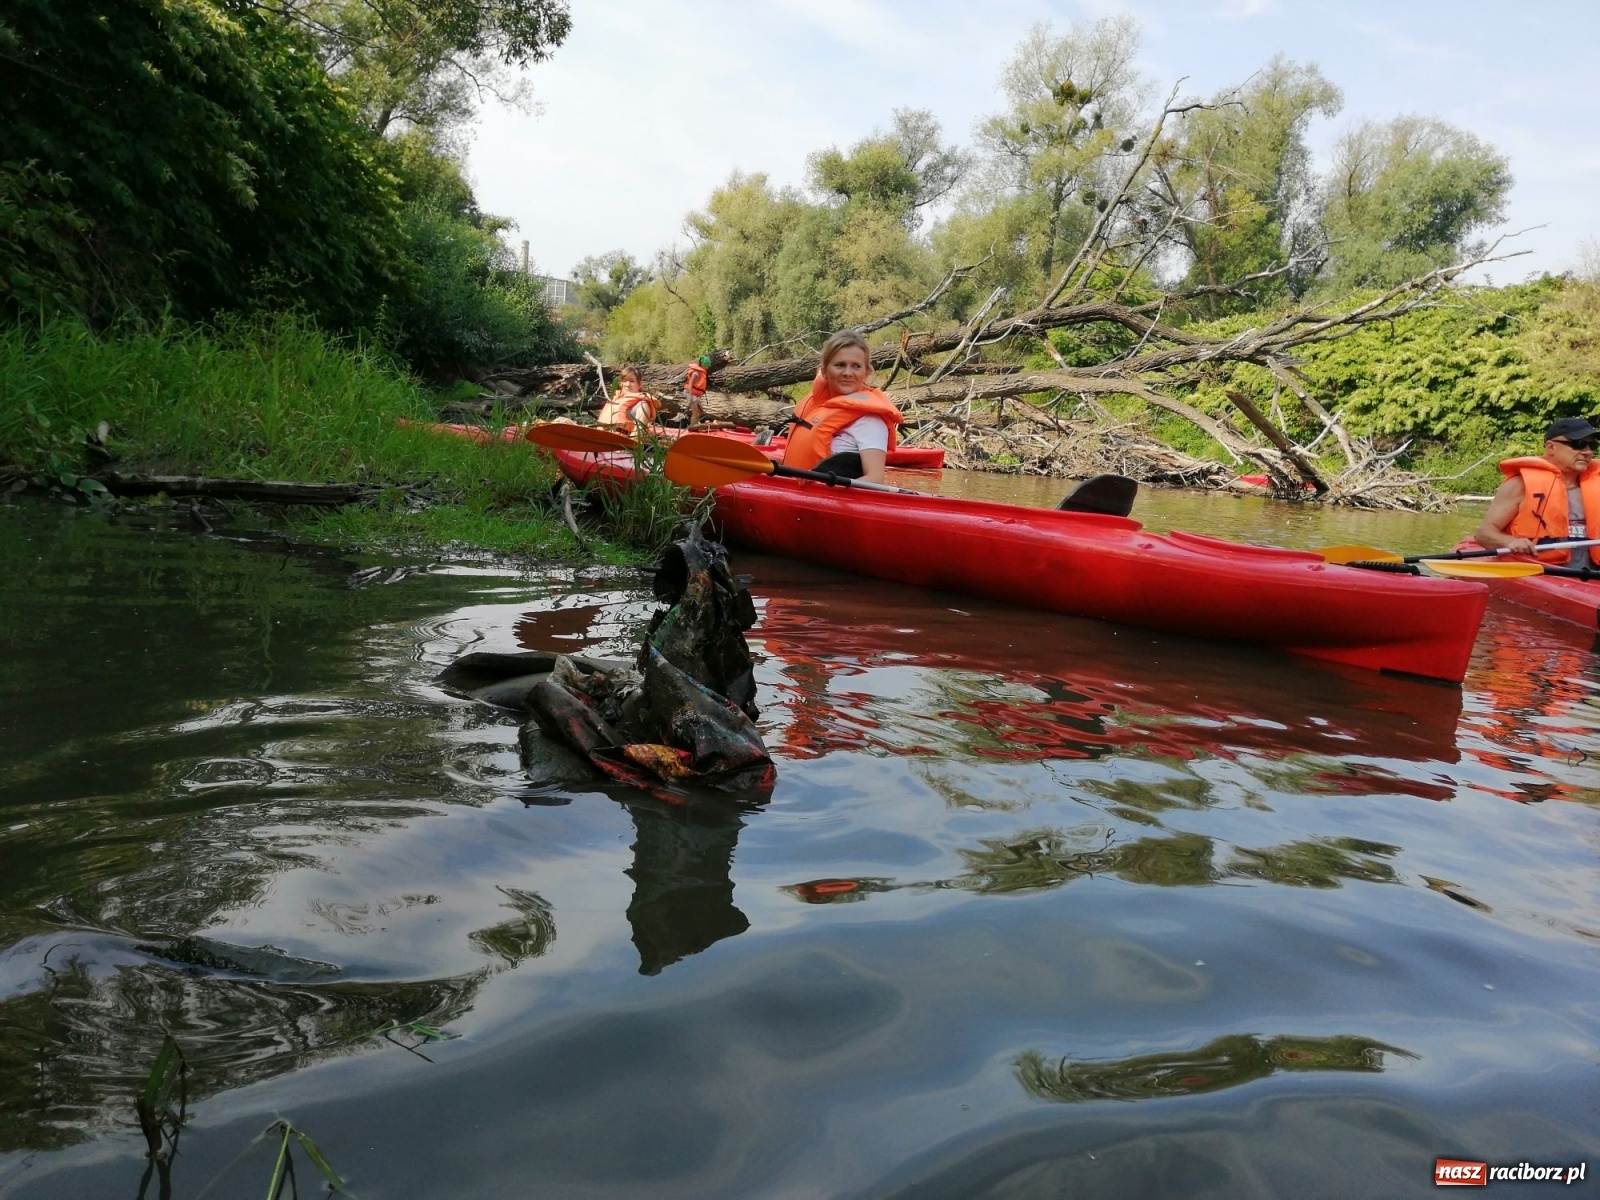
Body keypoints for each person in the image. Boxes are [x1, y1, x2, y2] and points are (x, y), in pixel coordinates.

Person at [1473, 416, 1600, 567]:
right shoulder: (1520, 485)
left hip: (1592, 576)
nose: (1587, 452)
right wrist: (1511, 542)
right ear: (1551, 447)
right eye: (1578, 444)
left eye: (1591, 446)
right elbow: (1484, 533)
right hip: (1542, 570)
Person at [782, 331, 903, 485]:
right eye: (840, 365)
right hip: (793, 493)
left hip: (824, 499)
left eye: (856, 366)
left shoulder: (870, 421)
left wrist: (819, 484)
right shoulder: (815, 407)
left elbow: (875, 480)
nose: (847, 373)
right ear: (825, 371)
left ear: (866, 373)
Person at [596, 366, 660, 433]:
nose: (627, 384)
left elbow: (638, 434)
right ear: (621, 383)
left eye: (632, 381)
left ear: (640, 384)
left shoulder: (642, 405)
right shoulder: (615, 400)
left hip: (620, 440)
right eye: (625, 381)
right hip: (601, 436)